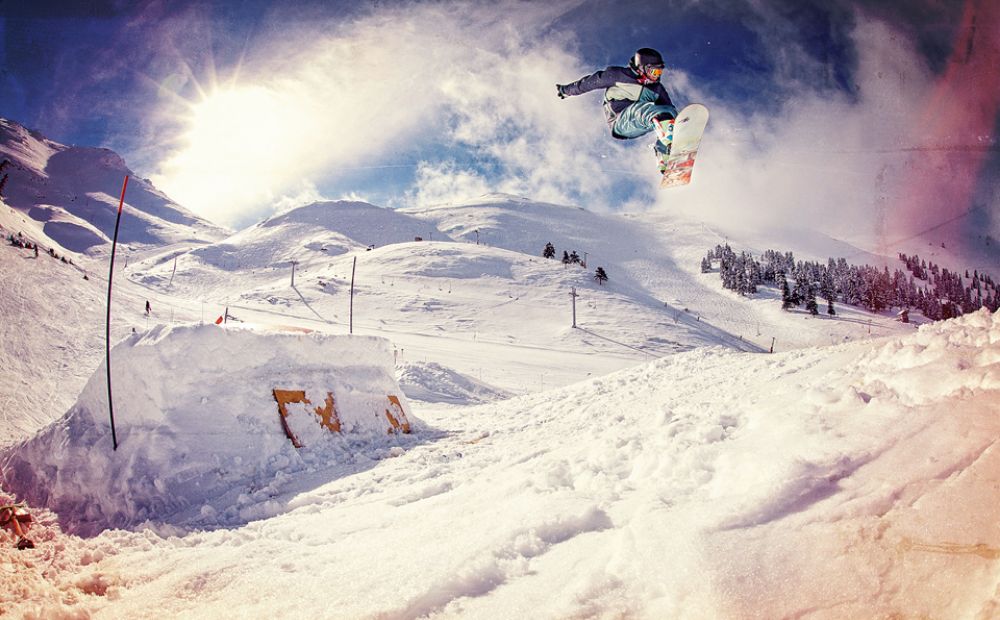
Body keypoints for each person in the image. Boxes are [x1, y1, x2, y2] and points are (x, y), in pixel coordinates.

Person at [557, 48, 678, 167]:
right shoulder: (617, 75)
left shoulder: (657, 89)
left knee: (669, 112)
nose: (656, 77)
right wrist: (566, 90)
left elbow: (668, 110)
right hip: (619, 121)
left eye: (659, 72)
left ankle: (664, 155)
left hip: (639, 123)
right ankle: (668, 135)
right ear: (641, 68)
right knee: (641, 109)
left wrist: (678, 124)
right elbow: (587, 83)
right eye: (653, 72)